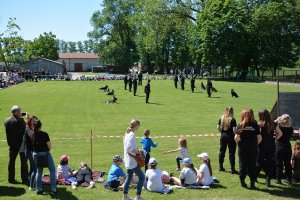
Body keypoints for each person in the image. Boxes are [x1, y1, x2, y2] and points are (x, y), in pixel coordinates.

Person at [235, 109, 262, 189]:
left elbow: (236, 138)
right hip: (253, 147)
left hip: (242, 148)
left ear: (243, 116)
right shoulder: (255, 125)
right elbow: (259, 138)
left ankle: (242, 182)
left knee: (242, 165)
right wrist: (254, 145)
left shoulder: (240, 125)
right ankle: (252, 183)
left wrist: (240, 144)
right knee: (252, 165)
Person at [4, 105, 28, 184]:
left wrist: (22, 115)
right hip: (20, 145)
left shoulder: (6, 120)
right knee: (23, 162)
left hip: (11, 144)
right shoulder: (20, 121)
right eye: (20, 111)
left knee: (11, 162)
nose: (21, 112)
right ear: (17, 112)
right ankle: (24, 179)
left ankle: (11, 179)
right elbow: (26, 129)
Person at [32, 119, 57, 195]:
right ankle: (53, 189)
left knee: (39, 172)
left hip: (36, 154)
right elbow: (49, 146)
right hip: (45, 154)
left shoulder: (33, 134)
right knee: (52, 171)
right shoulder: (44, 134)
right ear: (41, 125)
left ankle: (38, 189)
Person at [123, 119, 145, 200]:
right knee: (142, 177)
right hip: (132, 161)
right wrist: (137, 154)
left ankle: (125, 197)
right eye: (139, 126)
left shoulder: (127, 133)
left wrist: (137, 150)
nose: (139, 127)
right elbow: (129, 150)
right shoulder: (131, 134)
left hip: (127, 160)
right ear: (136, 126)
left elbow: (129, 148)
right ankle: (138, 197)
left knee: (129, 177)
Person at [256, 109, 278, 187]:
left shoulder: (259, 124)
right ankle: (268, 180)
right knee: (269, 162)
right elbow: (280, 133)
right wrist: (275, 138)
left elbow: (258, 136)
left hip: (262, 145)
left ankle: (254, 177)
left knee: (259, 161)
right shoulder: (273, 124)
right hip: (271, 145)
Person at [217, 107, 238, 174]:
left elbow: (218, 127)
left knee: (222, 151)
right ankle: (232, 169)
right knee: (231, 153)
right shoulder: (233, 120)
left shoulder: (221, 118)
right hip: (230, 137)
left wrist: (222, 132)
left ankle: (221, 167)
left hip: (223, 136)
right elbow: (234, 131)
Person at [274, 114, 293, 185]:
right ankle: (289, 180)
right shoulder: (291, 128)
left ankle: (278, 179)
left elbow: (273, 124)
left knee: (279, 163)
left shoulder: (279, 127)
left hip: (279, 145)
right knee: (287, 163)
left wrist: (276, 120)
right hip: (287, 146)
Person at [24, 116, 38, 190]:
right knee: (34, 168)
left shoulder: (31, 128)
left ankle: (30, 180)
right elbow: (34, 137)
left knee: (33, 167)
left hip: (31, 150)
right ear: (29, 121)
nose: (34, 122)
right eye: (33, 121)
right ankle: (32, 186)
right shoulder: (28, 129)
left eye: (35, 121)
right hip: (30, 151)